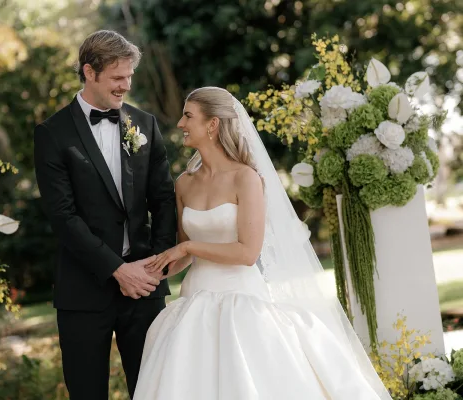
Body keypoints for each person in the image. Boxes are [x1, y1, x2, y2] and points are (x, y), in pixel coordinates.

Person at [133, 87, 392, 399]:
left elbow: (247, 252)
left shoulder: (246, 178)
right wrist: (153, 267)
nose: (180, 123)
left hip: (242, 302)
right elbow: (185, 253)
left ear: (213, 124)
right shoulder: (184, 183)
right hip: (194, 301)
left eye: (188, 116)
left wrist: (187, 248)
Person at [33, 30, 177, 399]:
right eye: (117, 78)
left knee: (154, 391)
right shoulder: (52, 134)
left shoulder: (144, 125)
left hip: (144, 289)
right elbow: (63, 217)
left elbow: (163, 200)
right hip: (84, 291)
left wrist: (156, 265)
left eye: (129, 77)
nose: (125, 86)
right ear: (90, 72)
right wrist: (116, 269)